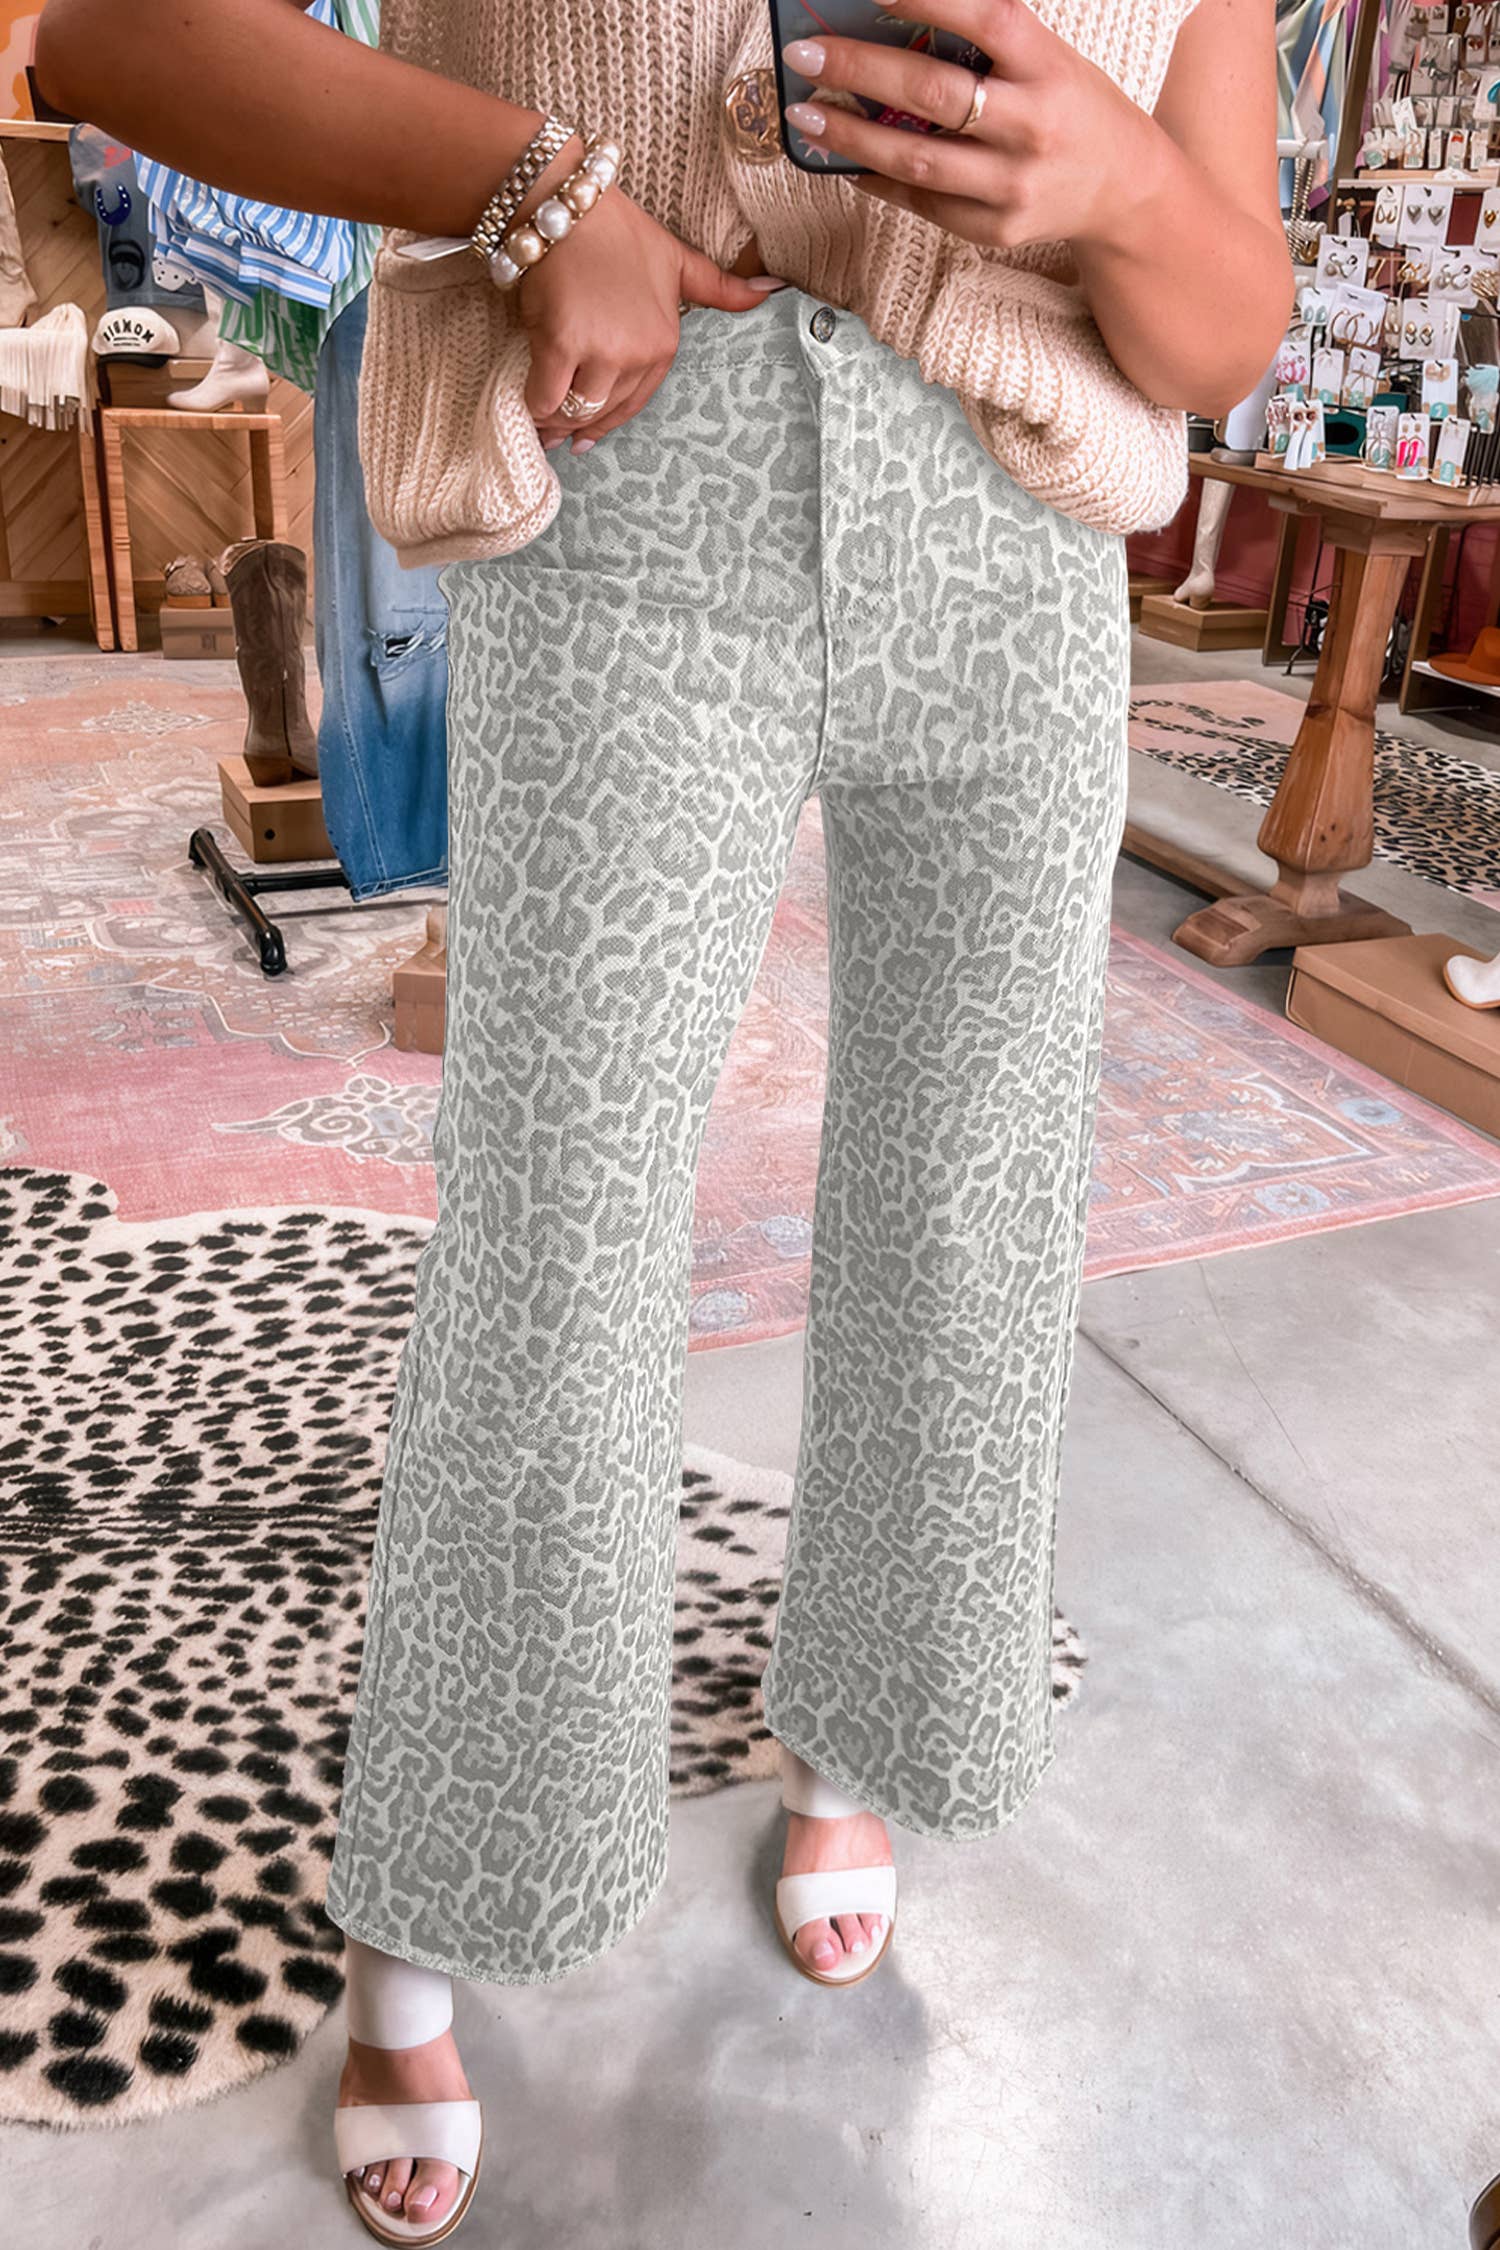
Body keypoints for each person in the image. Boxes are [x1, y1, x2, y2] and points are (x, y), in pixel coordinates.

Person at [37, 0, 1292, 2238]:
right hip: (636, 480)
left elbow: (1227, 331)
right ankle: (442, 1888)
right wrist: (526, 186)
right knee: (560, 1228)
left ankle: (864, 1726)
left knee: (971, 1201)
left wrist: (1111, 183)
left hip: (1017, 545)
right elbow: (117, 42)